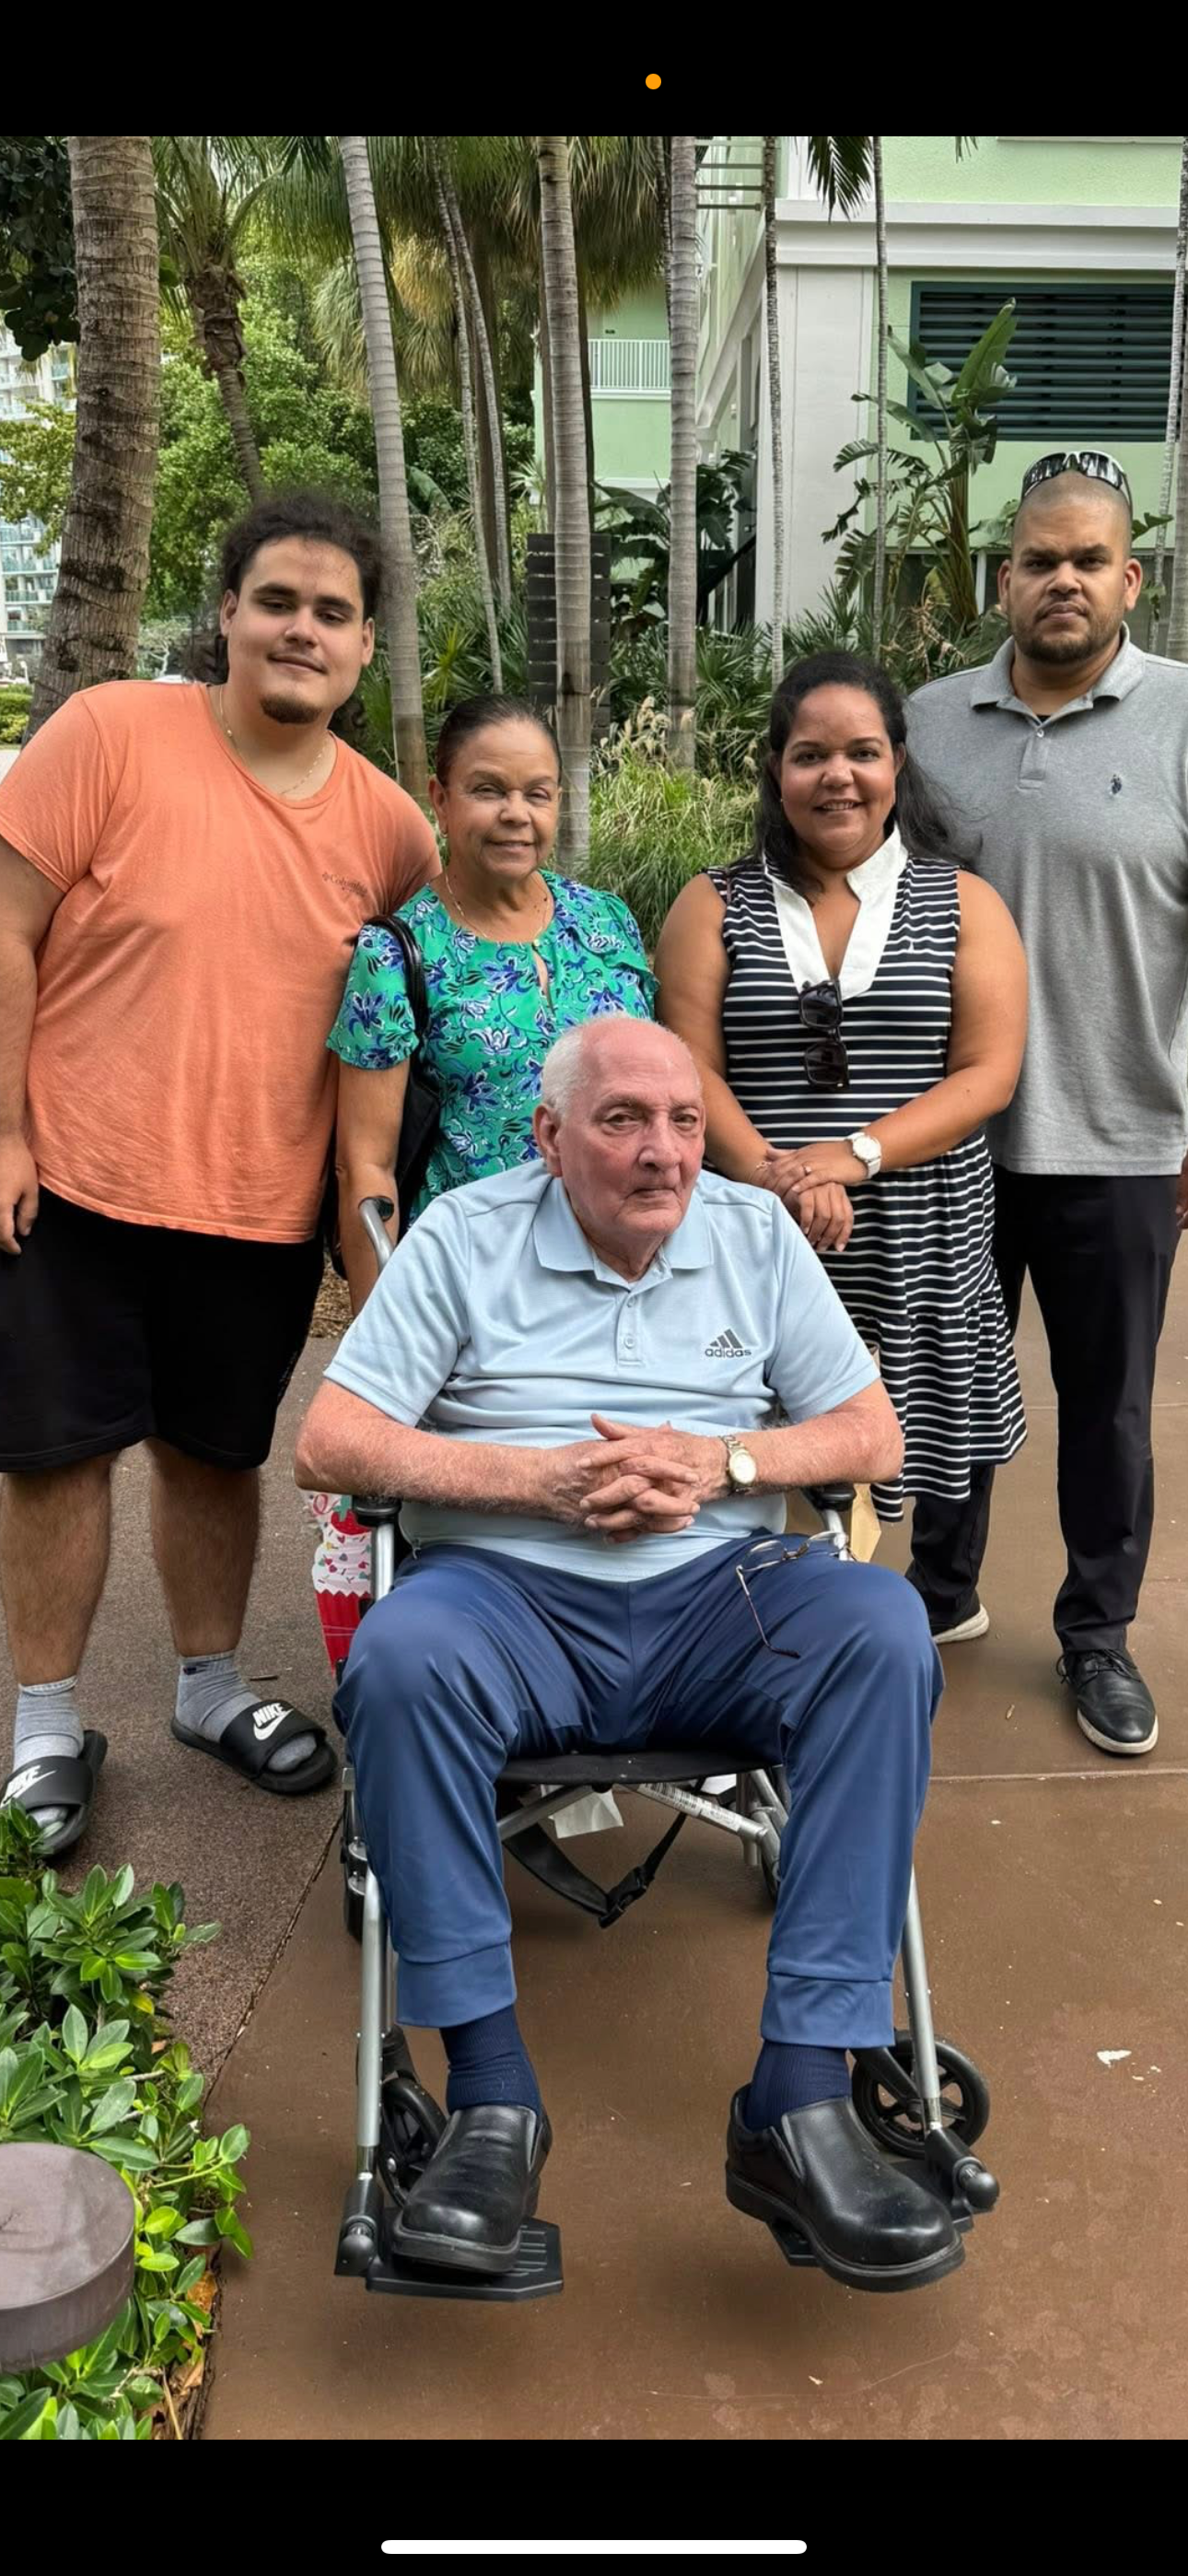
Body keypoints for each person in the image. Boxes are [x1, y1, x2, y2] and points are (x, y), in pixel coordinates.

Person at [296, 1016, 962, 2295]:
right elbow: (332, 1442)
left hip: (722, 1595)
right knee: (398, 1659)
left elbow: (868, 1431)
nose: (664, 1153)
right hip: (507, 1596)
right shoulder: (465, 1236)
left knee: (882, 1632)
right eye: (622, 1121)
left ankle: (800, 2098)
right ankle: (492, 2100)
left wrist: (726, 1460)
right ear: (548, 1138)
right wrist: (538, 1482)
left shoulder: (753, 1233)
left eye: (684, 1122)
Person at [0, 490, 438, 1851]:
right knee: (57, 1460)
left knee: (215, 1454)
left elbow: (421, 1016)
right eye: (278, 602)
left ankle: (208, 1690)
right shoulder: (109, 735)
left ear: (363, 647)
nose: (302, 629)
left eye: (332, 612)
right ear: (230, 614)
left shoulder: (391, 831)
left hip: (258, 1206)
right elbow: (6, 928)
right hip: (71, 1178)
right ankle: (43, 1729)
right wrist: (3, 1132)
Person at [907, 451, 1188, 1757]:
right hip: (949, 1137)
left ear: (1130, 578)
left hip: (1122, 1134)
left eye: (1087, 559)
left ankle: (1096, 1634)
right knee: (942, 1378)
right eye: (1037, 559)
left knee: (1107, 1405)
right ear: (1001, 578)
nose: (1060, 579)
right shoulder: (925, 722)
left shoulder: (1180, 717)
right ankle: (937, 1591)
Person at [656, 651, 1028, 1584]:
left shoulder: (966, 902)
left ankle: (918, 1607)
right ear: (775, 769)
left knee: (908, 1438)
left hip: (918, 1231)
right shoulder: (712, 904)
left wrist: (853, 1156)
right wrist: (778, 1177)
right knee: (753, 1432)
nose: (839, 776)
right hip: (757, 1227)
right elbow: (690, 1068)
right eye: (811, 755)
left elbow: (988, 1074)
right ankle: (758, 1610)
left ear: (897, 763)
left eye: (862, 752)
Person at [309, 694, 655, 1669]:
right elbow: (367, 1166)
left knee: (602, 1497)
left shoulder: (605, 925)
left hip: (612, 1281)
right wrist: (387, 1340)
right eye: (489, 790)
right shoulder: (398, 954)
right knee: (465, 1517)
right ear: (440, 797)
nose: (516, 815)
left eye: (537, 793)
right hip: (470, 1294)